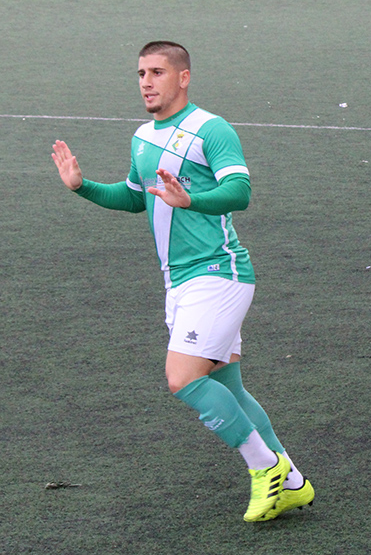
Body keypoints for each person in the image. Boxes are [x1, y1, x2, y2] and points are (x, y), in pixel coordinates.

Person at [51, 41, 314, 523]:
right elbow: (135, 197)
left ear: (183, 77)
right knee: (225, 384)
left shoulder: (210, 129)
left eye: (156, 72)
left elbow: (240, 191)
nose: (146, 82)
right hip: (181, 282)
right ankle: (293, 481)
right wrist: (81, 187)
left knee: (183, 378)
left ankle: (265, 469)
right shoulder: (142, 136)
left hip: (218, 272)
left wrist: (191, 200)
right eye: (140, 74)